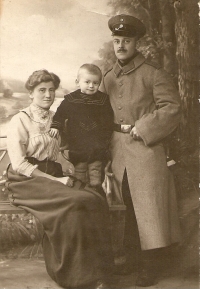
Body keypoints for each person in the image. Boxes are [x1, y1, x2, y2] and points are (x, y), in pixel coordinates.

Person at [6, 69, 114, 289]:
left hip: (54, 174)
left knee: (93, 198)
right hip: (26, 181)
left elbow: (67, 147)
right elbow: (20, 164)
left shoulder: (56, 118)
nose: (47, 95)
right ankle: (74, 276)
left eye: (51, 90)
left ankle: (101, 271)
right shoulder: (20, 120)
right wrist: (56, 181)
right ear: (31, 93)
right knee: (74, 203)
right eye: (42, 90)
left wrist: (69, 168)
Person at [100, 14, 182, 287]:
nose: (121, 45)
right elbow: (98, 112)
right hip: (117, 151)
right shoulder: (108, 77)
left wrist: (144, 127)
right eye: (117, 41)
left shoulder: (153, 74)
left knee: (147, 208)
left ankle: (151, 266)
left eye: (126, 40)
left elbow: (172, 108)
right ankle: (133, 260)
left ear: (136, 43)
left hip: (146, 149)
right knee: (128, 205)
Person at [50, 64, 113, 191]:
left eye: (95, 83)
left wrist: (105, 136)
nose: (91, 86)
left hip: (97, 143)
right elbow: (60, 114)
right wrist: (56, 127)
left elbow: (108, 119)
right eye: (87, 82)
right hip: (78, 143)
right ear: (77, 82)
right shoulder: (71, 100)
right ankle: (81, 193)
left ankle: (96, 191)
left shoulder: (103, 100)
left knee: (96, 172)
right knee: (80, 172)